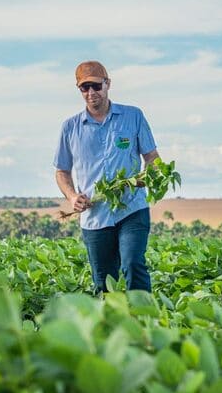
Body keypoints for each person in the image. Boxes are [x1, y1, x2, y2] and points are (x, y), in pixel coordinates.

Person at [54, 60, 160, 294]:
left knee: (133, 264)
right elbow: (61, 170)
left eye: (96, 86)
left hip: (132, 208)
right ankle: (112, 326)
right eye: (85, 88)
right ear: (79, 90)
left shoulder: (133, 116)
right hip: (94, 215)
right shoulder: (70, 127)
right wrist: (72, 197)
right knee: (104, 281)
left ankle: (145, 322)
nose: (91, 92)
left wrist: (147, 176)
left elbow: (152, 157)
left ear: (107, 84)